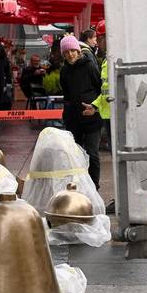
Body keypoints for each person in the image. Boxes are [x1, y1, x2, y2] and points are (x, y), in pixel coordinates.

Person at [59, 34, 103, 188]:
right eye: (66, 52)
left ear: (78, 51)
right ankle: (79, 185)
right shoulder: (64, 70)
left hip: (92, 118)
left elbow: (99, 87)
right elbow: (66, 94)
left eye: (72, 51)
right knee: (76, 154)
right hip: (74, 119)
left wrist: (95, 107)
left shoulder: (89, 66)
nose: (70, 54)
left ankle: (94, 186)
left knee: (92, 153)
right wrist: (67, 112)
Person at [81, 20, 111, 152]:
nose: (97, 42)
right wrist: (95, 105)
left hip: (116, 115)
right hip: (109, 114)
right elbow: (106, 90)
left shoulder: (113, 59)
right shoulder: (108, 59)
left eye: (99, 38)